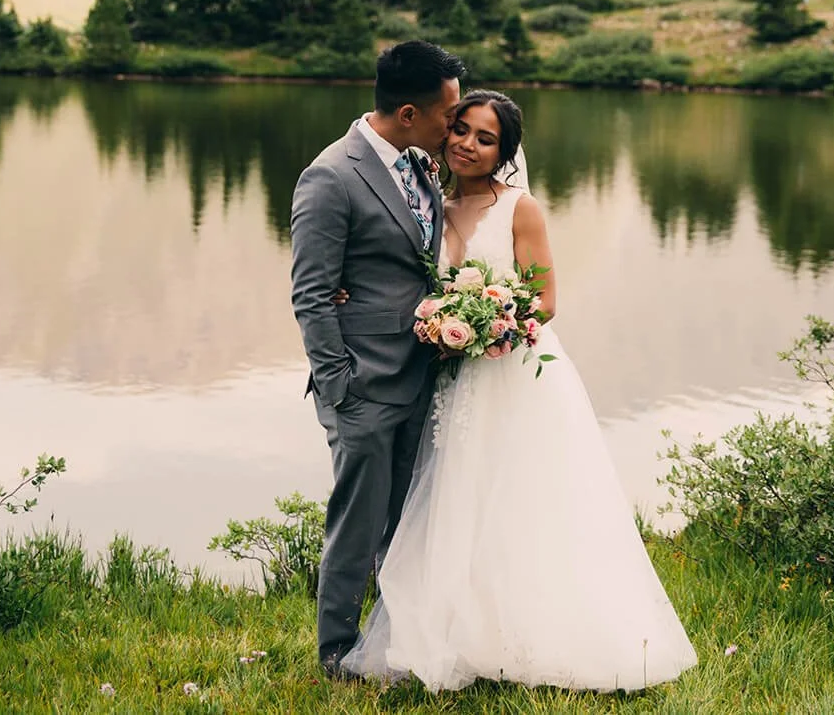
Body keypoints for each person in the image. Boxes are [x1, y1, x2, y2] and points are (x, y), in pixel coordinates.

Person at [340, 89, 698, 692]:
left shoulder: (520, 209)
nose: (468, 146)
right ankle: (462, 637)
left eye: (486, 139)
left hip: (516, 373)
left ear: (505, 151)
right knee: (457, 497)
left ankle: (544, 637)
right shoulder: (431, 203)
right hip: (452, 379)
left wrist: (486, 327)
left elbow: (545, 301)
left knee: (524, 499)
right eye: (462, 132)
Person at [289, 40, 466, 680]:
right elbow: (311, 295)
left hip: (421, 376)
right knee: (357, 524)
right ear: (411, 112)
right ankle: (336, 651)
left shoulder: (420, 165)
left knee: (407, 521)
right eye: (450, 112)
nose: (459, 122)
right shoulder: (331, 176)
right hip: (362, 387)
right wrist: (341, 388)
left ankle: (394, 641)